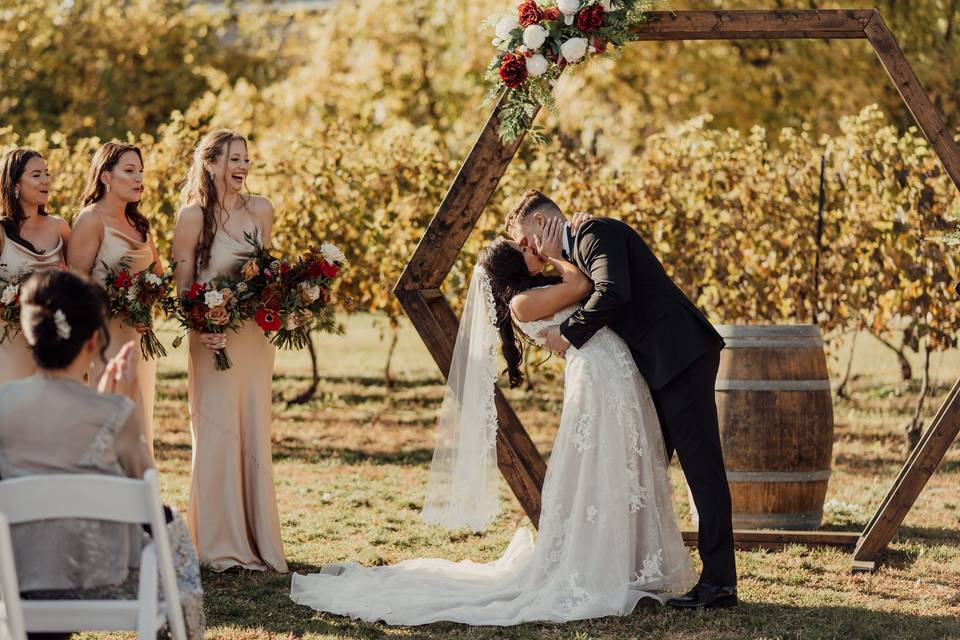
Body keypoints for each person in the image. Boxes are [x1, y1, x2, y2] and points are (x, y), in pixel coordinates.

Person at [289, 214, 696, 625]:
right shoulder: (522, 302)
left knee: (622, 466)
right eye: (524, 249)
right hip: (598, 379)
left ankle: (631, 560)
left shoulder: (537, 290)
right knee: (601, 467)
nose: (532, 247)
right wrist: (557, 255)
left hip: (611, 373)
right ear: (512, 267)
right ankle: (604, 565)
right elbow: (583, 287)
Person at [508, 190, 736, 609]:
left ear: (542, 223)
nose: (529, 249)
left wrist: (568, 333)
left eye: (527, 239)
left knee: (702, 471)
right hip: (657, 368)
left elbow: (614, 291)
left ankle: (719, 584)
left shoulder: (594, 231)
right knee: (641, 471)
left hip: (680, 357)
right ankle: (631, 569)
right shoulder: (575, 253)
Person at [0, 270, 204, 639]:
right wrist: (118, 407)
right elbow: (148, 498)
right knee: (172, 528)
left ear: (31, 336)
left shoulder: (2, 406)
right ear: (94, 341)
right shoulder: (115, 414)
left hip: (15, 576)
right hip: (94, 576)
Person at [171, 129, 287, 572]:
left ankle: (258, 539)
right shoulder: (192, 217)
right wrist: (201, 329)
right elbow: (183, 288)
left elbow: (264, 274)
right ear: (211, 163)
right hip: (212, 340)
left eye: (246, 159)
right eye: (233, 159)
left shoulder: (261, 210)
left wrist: (285, 303)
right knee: (217, 432)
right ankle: (219, 544)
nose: (241, 167)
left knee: (253, 430)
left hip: (253, 341)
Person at [67, 142, 163, 455]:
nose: (139, 178)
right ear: (106, 176)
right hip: (104, 339)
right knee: (110, 422)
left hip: (140, 339)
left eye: (141, 172)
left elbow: (159, 275)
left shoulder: (140, 224)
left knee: (139, 419)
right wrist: (116, 298)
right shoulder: (91, 220)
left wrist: (146, 293)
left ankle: (137, 496)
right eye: (130, 171)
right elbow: (76, 287)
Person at [0, 148, 69, 385]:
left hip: (54, 345)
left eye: (47, 174)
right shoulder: (1, 232)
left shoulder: (60, 227)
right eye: (37, 174)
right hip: (10, 345)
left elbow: (79, 280)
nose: (46, 180)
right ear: (15, 183)